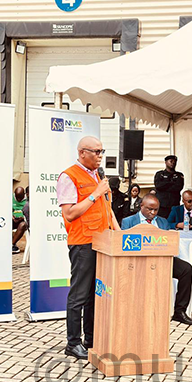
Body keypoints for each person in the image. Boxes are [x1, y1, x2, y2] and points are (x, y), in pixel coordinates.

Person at [57, 136, 120, 360]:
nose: (100, 156)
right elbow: (69, 213)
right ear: (82, 152)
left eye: (102, 151)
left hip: (103, 242)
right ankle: (73, 343)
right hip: (83, 242)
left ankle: (91, 339)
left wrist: (119, 235)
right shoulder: (69, 176)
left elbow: (108, 210)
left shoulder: (98, 176)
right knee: (79, 295)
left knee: (95, 294)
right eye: (96, 151)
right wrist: (95, 194)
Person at [121, 194, 192, 326]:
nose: (153, 213)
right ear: (141, 206)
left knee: (186, 269)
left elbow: (168, 242)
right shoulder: (128, 221)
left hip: (162, 259)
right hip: (139, 262)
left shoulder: (162, 222)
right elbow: (124, 246)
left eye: (156, 210)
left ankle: (179, 311)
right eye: (150, 209)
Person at [11, 187, 28, 254]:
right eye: (17, 197)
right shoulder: (11, 197)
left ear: (24, 194)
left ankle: (12, 245)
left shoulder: (28, 199)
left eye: (20, 198)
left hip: (23, 221)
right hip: (13, 219)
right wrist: (12, 216)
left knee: (22, 225)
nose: (18, 199)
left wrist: (23, 218)